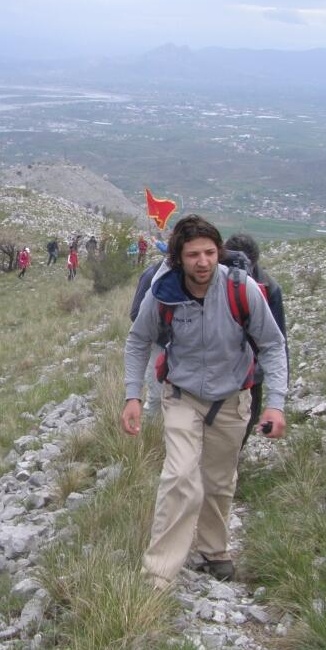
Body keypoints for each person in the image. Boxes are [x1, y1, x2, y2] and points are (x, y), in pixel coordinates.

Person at [120, 214, 287, 590]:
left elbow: (273, 345)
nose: (203, 262)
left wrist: (275, 403)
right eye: (193, 254)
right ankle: (159, 572)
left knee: (219, 480)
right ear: (178, 257)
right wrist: (133, 395)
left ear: (219, 252)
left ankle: (214, 550)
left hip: (232, 399)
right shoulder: (162, 292)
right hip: (182, 396)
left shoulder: (242, 290)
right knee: (179, 476)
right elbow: (138, 339)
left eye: (210, 253)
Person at [224, 233, 289, 448]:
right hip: (214, 371)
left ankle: (231, 461)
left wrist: (277, 400)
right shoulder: (209, 278)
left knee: (241, 429)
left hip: (251, 375)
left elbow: (276, 342)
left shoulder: (268, 287)